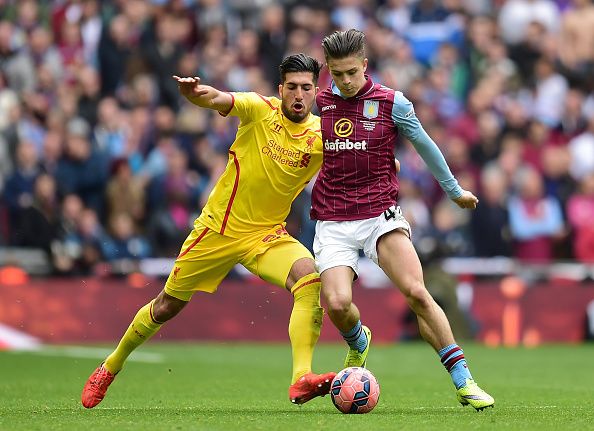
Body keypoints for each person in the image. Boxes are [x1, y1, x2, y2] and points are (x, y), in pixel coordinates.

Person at [81, 53, 336, 408]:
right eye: (291, 87)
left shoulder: (322, 135)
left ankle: (301, 378)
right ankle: (111, 366)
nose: (298, 94)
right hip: (217, 229)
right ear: (280, 89)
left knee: (309, 277)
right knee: (166, 306)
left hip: (266, 235)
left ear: (315, 92)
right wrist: (194, 94)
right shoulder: (260, 109)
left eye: (306, 88)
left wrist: (385, 164)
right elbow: (218, 97)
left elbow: (358, 158)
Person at [311, 29, 494, 411]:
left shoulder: (392, 102)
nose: (345, 81)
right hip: (334, 219)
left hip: (380, 215)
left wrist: (454, 190)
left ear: (364, 65)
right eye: (337, 74)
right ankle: (358, 340)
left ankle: (464, 381)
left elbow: (425, 145)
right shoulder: (319, 102)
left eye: (351, 72)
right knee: (338, 304)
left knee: (417, 292)